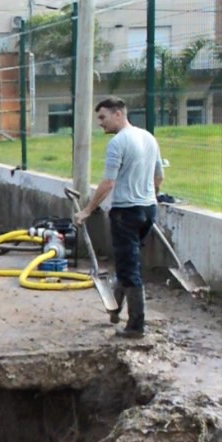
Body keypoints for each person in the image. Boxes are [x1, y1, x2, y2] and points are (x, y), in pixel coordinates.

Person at [73, 96, 164, 339]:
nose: (100, 123)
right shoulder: (148, 137)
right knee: (128, 262)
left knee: (128, 267)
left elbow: (108, 183)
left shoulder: (118, 143)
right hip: (148, 210)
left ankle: (136, 326)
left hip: (126, 212)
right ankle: (114, 310)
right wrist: (150, 198)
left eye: (102, 117)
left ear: (118, 114)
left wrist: (87, 210)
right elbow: (159, 176)